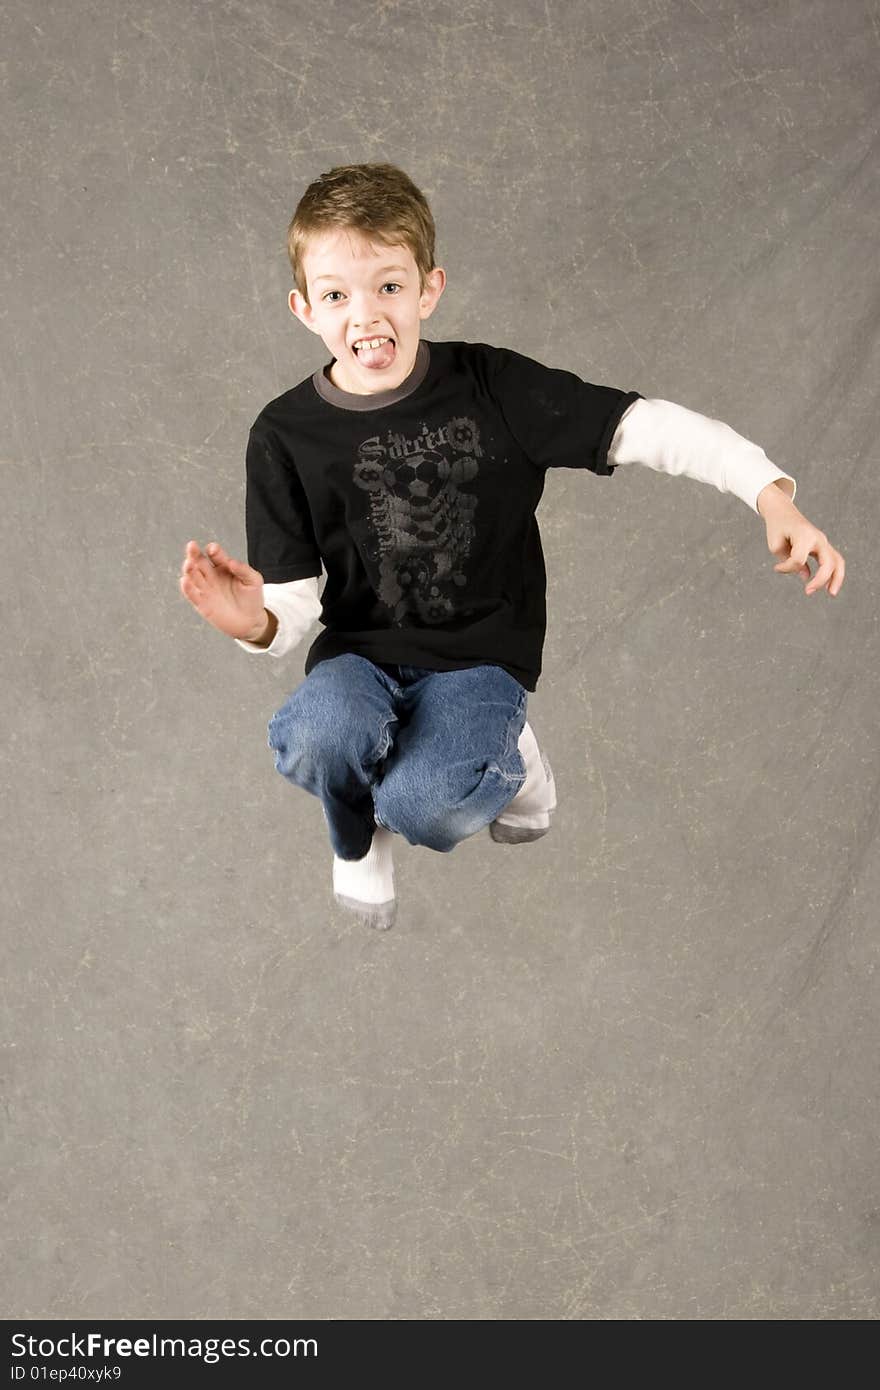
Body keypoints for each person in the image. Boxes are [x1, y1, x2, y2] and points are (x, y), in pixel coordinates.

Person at [179, 162, 845, 931]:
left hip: (478, 659)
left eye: (389, 287)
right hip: (359, 656)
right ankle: (355, 840)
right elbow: (292, 603)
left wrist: (770, 491)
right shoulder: (284, 433)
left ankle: (512, 752)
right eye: (337, 295)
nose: (366, 315)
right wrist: (252, 622)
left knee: (423, 806)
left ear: (428, 289)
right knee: (323, 737)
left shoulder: (491, 387)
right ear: (304, 309)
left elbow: (644, 427)